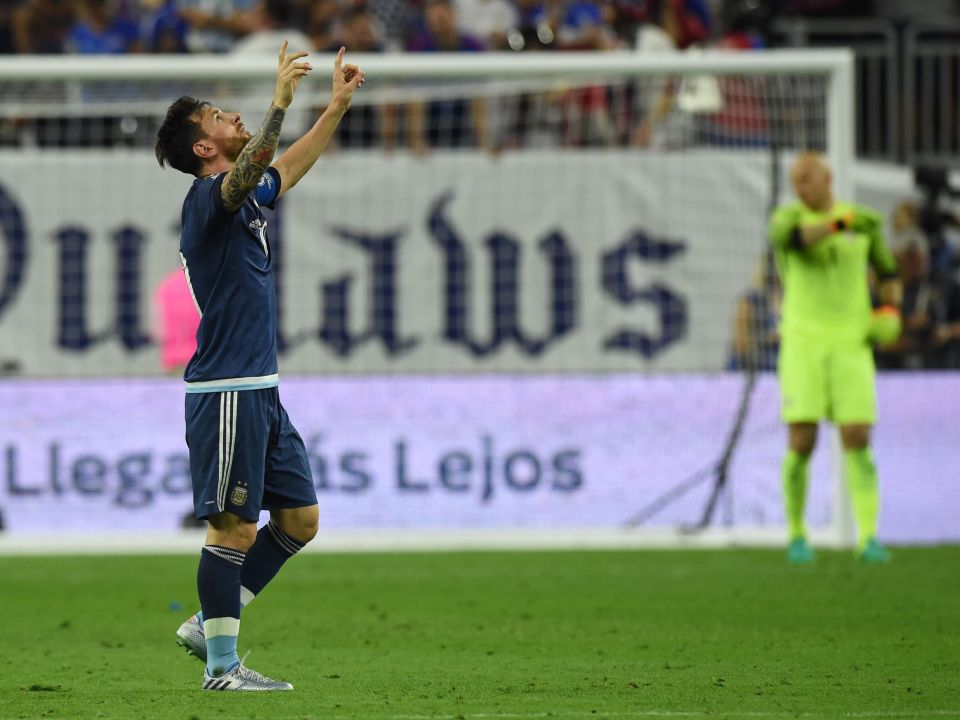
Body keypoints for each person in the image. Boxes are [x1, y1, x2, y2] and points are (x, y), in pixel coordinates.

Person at [154, 42, 364, 691]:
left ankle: (209, 622)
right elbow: (253, 171)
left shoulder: (240, 197)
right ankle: (222, 667)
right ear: (202, 148)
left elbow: (286, 170)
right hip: (226, 390)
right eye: (220, 116)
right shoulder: (208, 199)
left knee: (299, 521)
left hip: (262, 389)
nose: (233, 117)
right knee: (235, 526)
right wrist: (278, 103)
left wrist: (333, 108)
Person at [768, 153, 902, 565]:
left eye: (807, 179)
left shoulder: (863, 224)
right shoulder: (787, 219)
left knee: (857, 436)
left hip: (851, 343)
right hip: (803, 343)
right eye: (795, 181)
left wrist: (890, 313)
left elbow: (888, 271)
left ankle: (869, 537)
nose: (800, 188)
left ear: (827, 177)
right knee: (802, 439)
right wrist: (841, 224)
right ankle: (796, 534)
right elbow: (800, 242)